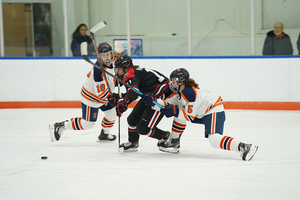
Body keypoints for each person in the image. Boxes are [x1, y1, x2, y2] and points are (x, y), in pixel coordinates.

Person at [147, 68, 258, 161]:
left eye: (174, 80)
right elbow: (169, 103)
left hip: (213, 109)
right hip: (203, 112)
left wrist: (172, 111)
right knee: (178, 114)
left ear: (181, 81)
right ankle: (174, 141)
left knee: (214, 140)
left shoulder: (189, 93)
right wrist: (153, 101)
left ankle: (244, 147)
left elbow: (189, 116)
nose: (172, 83)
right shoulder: (182, 91)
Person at [49, 42, 120, 142]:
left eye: (108, 54)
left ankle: (104, 135)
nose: (106, 57)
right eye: (103, 55)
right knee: (88, 124)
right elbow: (101, 94)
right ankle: (60, 126)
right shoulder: (98, 70)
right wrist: (115, 97)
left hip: (105, 96)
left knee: (112, 114)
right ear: (99, 56)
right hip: (92, 98)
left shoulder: (115, 61)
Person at [110, 55, 172, 152]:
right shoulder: (134, 72)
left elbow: (134, 91)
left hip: (160, 97)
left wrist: (125, 101)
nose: (117, 71)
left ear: (126, 68)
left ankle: (165, 136)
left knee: (143, 128)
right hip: (150, 96)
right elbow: (135, 91)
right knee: (132, 120)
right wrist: (120, 97)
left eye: (119, 69)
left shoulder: (130, 73)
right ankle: (133, 142)